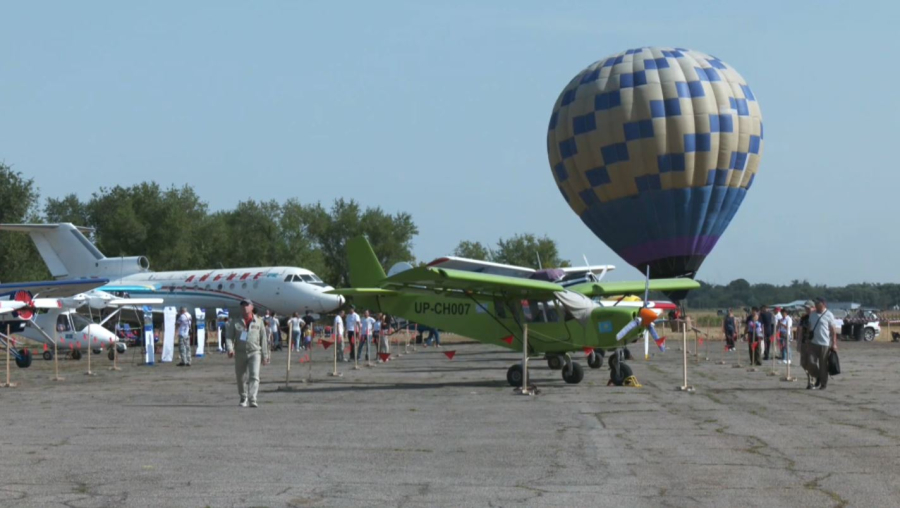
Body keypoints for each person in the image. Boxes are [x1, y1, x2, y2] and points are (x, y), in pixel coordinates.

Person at [226, 299, 270, 408]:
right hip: (240, 353)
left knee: (254, 376)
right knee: (241, 377)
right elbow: (229, 337)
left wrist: (265, 355)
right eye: (242, 306)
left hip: (255, 352)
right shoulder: (235, 322)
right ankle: (243, 397)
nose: (244, 307)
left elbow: (263, 339)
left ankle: (253, 398)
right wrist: (230, 349)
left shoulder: (259, 321)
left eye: (246, 305)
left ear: (251, 307)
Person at [805, 297, 838, 390]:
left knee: (823, 364)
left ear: (823, 304)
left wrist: (834, 343)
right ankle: (818, 376)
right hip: (813, 342)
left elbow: (833, 330)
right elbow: (809, 327)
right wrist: (807, 338)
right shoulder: (812, 315)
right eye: (815, 303)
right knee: (810, 362)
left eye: (817, 303)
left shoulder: (829, 315)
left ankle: (823, 383)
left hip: (825, 344)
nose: (815, 305)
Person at [798, 301, 814, 387]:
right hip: (804, 342)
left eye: (809, 308)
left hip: (814, 343)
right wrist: (798, 343)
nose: (807, 309)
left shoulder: (816, 317)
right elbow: (800, 330)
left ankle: (811, 381)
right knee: (803, 363)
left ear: (813, 307)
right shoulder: (804, 318)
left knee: (811, 362)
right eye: (806, 308)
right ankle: (810, 378)